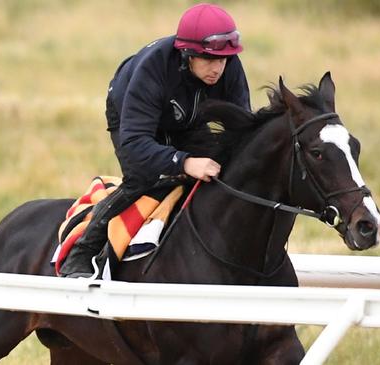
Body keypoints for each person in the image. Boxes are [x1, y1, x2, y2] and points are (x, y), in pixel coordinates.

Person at [59, 3, 251, 278]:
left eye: (223, 60)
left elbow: (241, 130)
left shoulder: (229, 65)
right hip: (132, 116)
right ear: (187, 54)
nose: (218, 68)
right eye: (209, 59)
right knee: (143, 179)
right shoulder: (154, 67)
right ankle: (82, 251)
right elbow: (136, 144)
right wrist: (185, 162)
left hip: (186, 119)